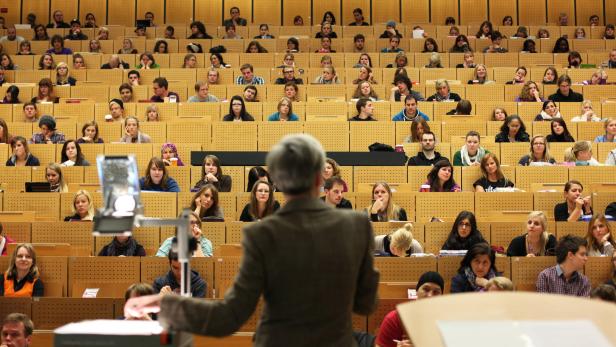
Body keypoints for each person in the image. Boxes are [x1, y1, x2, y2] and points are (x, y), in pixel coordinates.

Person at [126, 134, 379, 343]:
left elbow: (230, 316)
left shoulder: (261, 234)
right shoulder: (357, 226)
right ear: (319, 179)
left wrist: (167, 303)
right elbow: (366, 304)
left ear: (278, 182)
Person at [376, 272, 443, 347]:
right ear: (416, 292)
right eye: (426, 289)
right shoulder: (394, 319)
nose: (430, 296)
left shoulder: (447, 321)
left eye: (436, 292)